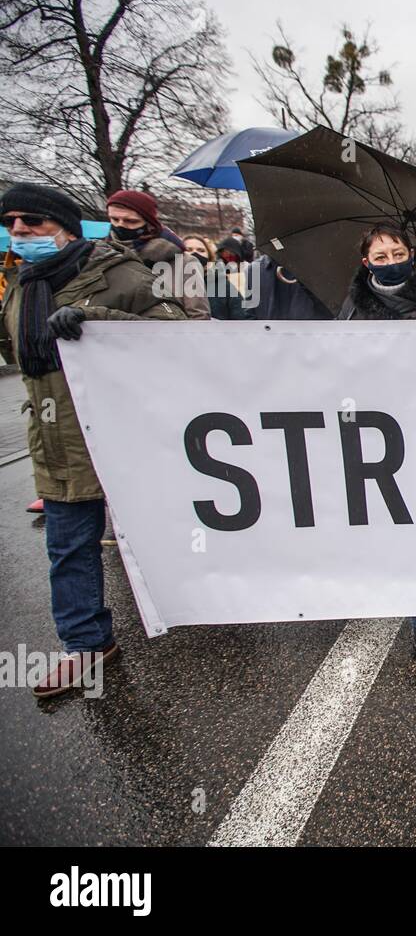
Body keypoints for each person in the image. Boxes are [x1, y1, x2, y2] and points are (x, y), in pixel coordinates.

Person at [0, 183, 186, 698]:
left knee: (171, 530)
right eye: (12, 222)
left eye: (32, 222)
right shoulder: (22, 284)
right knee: (68, 546)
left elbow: (182, 334)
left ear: (64, 227)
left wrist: (99, 320)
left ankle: (203, 604)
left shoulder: (120, 275)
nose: (20, 232)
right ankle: (86, 643)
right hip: (58, 439)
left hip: (128, 433)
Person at [338, 223, 416, 656]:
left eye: (397, 253)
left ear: (411, 252)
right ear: (366, 262)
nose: (391, 262)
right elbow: (335, 358)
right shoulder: (353, 305)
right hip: (378, 428)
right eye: (381, 256)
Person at [105, 189, 210, 320]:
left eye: (131, 221)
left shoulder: (183, 263)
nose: (120, 225)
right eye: (114, 219)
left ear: (149, 224)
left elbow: (198, 316)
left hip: (167, 337)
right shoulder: (100, 257)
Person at [183, 234, 252, 321]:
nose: (195, 253)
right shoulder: (169, 286)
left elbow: (242, 318)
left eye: (201, 250)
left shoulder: (223, 286)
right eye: (188, 250)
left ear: (209, 257)